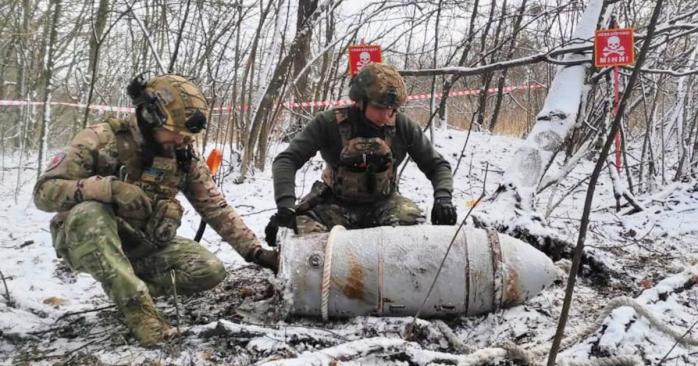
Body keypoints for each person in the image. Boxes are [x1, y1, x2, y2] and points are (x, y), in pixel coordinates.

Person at [33, 74, 278, 347]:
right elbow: (44, 192)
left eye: (187, 135)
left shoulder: (182, 155)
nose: (183, 140)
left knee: (209, 270)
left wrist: (255, 252)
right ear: (151, 117)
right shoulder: (102, 140)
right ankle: (138, 310)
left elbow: (215, 207)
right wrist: (108, 189)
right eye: (177, 132)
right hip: (85, 239)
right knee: (90, 212)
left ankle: (123, 285)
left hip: (142, 243)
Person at [266, 63, 457, 244]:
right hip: (334, 203)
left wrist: (443, 198)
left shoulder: (402, 126)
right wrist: (286, 205)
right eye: (378, 108)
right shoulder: (329, 123)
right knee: (305, 240)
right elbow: (286, 160)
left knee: (412, 237)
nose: (385, 116)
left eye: (391, 109)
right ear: (359, 102)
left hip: (384, 203)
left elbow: (437, 165)